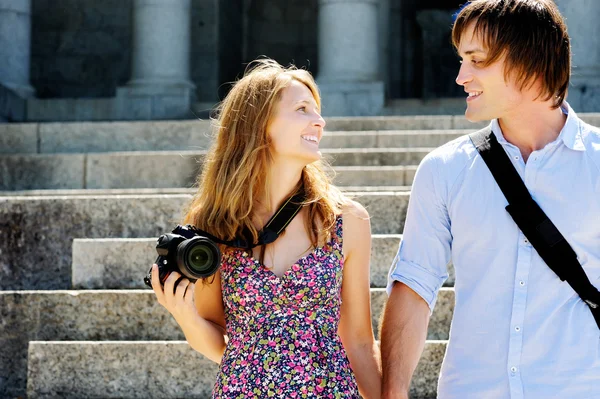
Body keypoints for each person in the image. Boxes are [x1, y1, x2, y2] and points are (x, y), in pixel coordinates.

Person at [381, 1, 600, 398]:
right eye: (461, 60)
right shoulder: (444, 169)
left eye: (476, 60)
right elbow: (413, 288)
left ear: (528, 63)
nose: (462, 76)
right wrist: (392, 393)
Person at [151, 58, 381, 398]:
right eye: (303, 109)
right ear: (259, 124)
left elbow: (360, 341)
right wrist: (184, 314)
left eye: (317, 111)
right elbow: (218, 339)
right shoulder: (213, 221)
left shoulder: (347, 220)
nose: (319, 122)